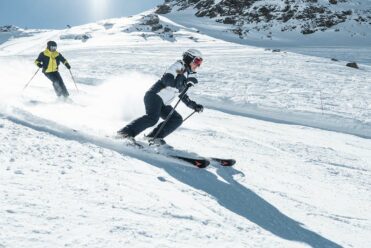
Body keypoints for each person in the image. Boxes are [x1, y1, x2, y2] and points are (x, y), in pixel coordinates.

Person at [117, 48, 204, 145]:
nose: (198, 65)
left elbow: (182, 94)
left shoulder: (187, 74)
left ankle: (154, 137)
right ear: (189, 58)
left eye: (200, 62)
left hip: (164, 103)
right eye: (197, 61)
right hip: (155, 95)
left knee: (176, 119)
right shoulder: (179, 66)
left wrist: (194, 106)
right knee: (152, 118)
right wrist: (184, 83)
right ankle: (124, 133)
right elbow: (166, 80)